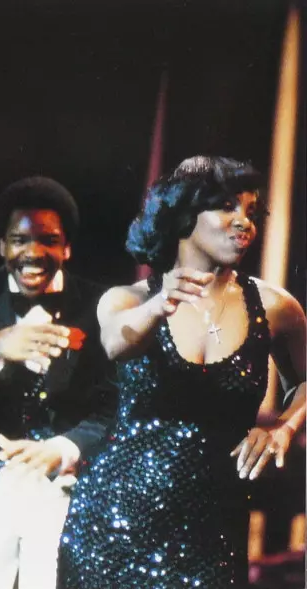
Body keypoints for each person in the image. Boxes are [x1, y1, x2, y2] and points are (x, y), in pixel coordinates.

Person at [57, 156, 306, 587]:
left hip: (213, 533)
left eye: (250, 211)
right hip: (112, 528)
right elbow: (116, 343)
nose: (244, 222)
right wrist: (159, 306)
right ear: (184, 215)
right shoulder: (129, 300)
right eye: (226, 206)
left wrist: (284, 428)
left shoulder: (276, 306)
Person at [0, 176, 117, 589]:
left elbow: (113, 405)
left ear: (66, 248)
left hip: (64, 491)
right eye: (19, 240)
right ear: (2, 246)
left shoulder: (99, 304)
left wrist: (63, 447)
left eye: (48, 240)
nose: (32, 253)